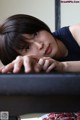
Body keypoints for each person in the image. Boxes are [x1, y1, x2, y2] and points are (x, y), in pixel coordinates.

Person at [0, 14, 80, 73]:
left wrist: (63, 66)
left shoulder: (76, 31)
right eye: (27, 47)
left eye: (35, 34)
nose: (40, 45)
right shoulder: (39, 65)